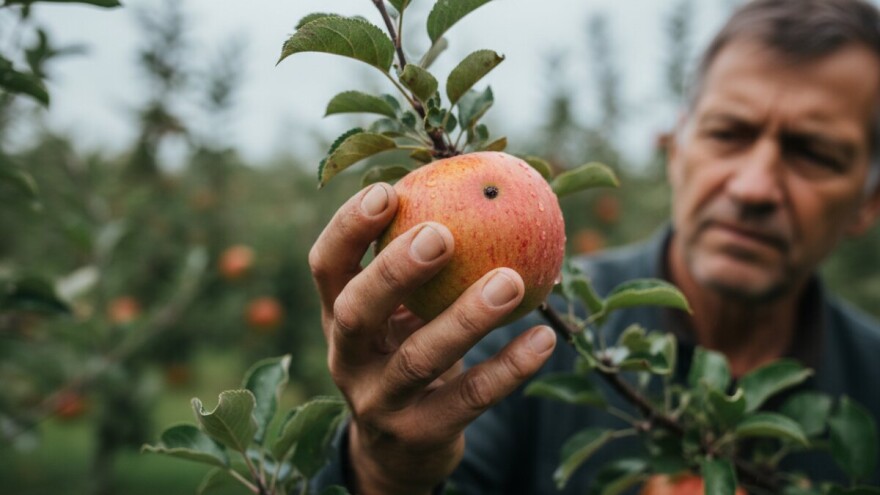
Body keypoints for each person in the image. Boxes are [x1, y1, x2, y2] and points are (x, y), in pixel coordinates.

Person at [307, 0, 880, 492]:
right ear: (676, 149)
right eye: (728, 133)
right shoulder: (503, 330)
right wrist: (384, 473)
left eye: (813, 154)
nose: (754, 187)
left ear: (868, 202)